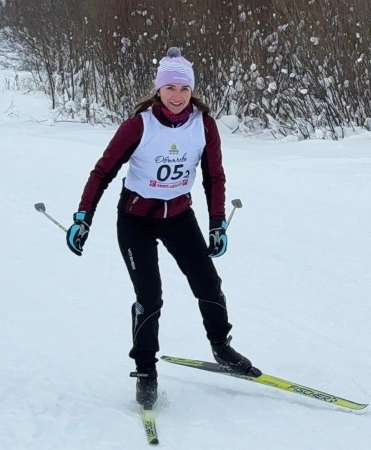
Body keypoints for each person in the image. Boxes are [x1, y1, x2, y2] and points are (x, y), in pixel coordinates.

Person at [66, 47, 261, 408]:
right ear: (158, 90)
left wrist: (217, 223)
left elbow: (213, 177)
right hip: (136, 220)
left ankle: (221, 346)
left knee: (208, 283)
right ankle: (145, 371)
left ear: (192, 92)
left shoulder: (203, 125)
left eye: (183, 89)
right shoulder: (139, 125)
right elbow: (102, 172)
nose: (177, 96)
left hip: (179, 217)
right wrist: (83, 216)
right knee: (150, 297)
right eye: (170, 88)